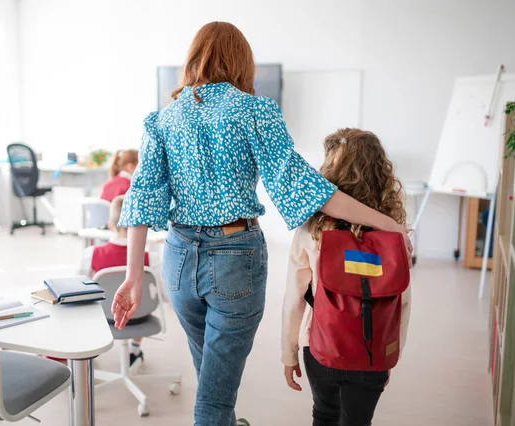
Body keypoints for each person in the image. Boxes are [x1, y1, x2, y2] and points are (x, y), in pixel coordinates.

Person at [112, 22, 412, 426]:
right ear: (242, 62)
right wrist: (387, 224)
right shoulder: (254, 111)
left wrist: (133, 275)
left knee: (212, 376)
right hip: (235, 259)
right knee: (214, 400)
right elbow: (304, 187)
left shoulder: (163, 120)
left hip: (179, 260)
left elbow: (142, 196)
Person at [281, 128, 411, 426]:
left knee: (324, 414)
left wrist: (288, 353)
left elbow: (293, 301)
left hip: (320, 345)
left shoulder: (311, 229)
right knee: (358, 421)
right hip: (374, 348)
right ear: (381, 172)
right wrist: (390, 353)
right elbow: (402, 301)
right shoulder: (394, 231)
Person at [80, 195, 149, 366]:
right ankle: (135, 349)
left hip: (105, 318)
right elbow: (162, 296)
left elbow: (80, 289)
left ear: (110, 226)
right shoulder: (149, 258)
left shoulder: (92, 254)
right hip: (140, 317)